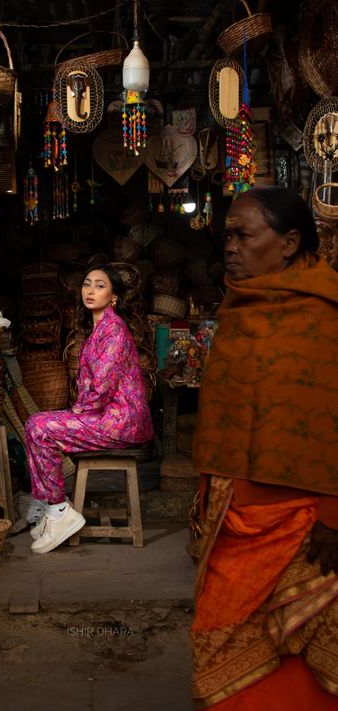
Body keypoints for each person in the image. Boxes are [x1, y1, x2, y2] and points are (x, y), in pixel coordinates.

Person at [191, 187, 338, 710]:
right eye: (227, 235)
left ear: (289, 242)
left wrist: (333, 516)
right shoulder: (239, 308)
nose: (230, 246)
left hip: (305, 523)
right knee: (220, 634)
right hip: (238, 516)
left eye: (243, 235)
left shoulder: (326, 313)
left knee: (298, 670)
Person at [24, 263, 154, 554]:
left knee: (40, 427)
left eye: (100, 285)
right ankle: (53, 508)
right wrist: (78, 411)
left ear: (114, 296)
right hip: (105, 416)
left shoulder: (114, 331)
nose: (91, 290)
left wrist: (77, 413)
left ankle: (58, 511)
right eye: (87, 284)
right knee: (37, 423)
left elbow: (101, 387)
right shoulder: (97, 330)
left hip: (122, 421)